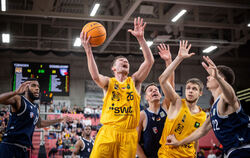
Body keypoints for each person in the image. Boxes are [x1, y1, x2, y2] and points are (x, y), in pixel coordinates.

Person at [80, 17, 154, 158]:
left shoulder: (135, 81)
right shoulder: (109, 82)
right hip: (109, 131)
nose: (125, 61)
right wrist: (88, 51)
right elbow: (95, 76)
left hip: (129, 134)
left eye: (126, 61)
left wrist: (141, 40)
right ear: (114, 68)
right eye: (121, 61)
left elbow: (149, 61)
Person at [166, 56, 250, 158]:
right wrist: (179, 142)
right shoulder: (214, 107)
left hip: (244, 149)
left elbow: (231, 96)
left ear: (221, 79)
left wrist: (217, 77)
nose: (207, 77)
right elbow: (201, 130)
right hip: (233, 152)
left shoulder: (226, 98)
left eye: (211, 76)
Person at [157, 41, 207, 157]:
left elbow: (195, 137)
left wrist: (194, 153)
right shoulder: (177, 102)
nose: (190, 90)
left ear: (200, 93)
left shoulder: (203, 116)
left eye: (194, 89)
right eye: (188, 88)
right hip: (169, 154)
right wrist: (178, 58)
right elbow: (162, 79)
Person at [0, 78, 70, 158]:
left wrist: (60, 120)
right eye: (33, 86)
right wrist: (16, 92)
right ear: (26, 88)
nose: (37, 88)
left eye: (38, 86)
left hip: (24, 149)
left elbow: (40, 123)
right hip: (10, 146)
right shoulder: (19, 99)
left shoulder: (36, 107)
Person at [136, 43, 174, 158]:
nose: (154, 91)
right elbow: (135, 142)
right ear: (146, 98)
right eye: (150, 90)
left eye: (156, 89)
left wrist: (169, 61)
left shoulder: (166, 106)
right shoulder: (142, 115)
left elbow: (170, 85)